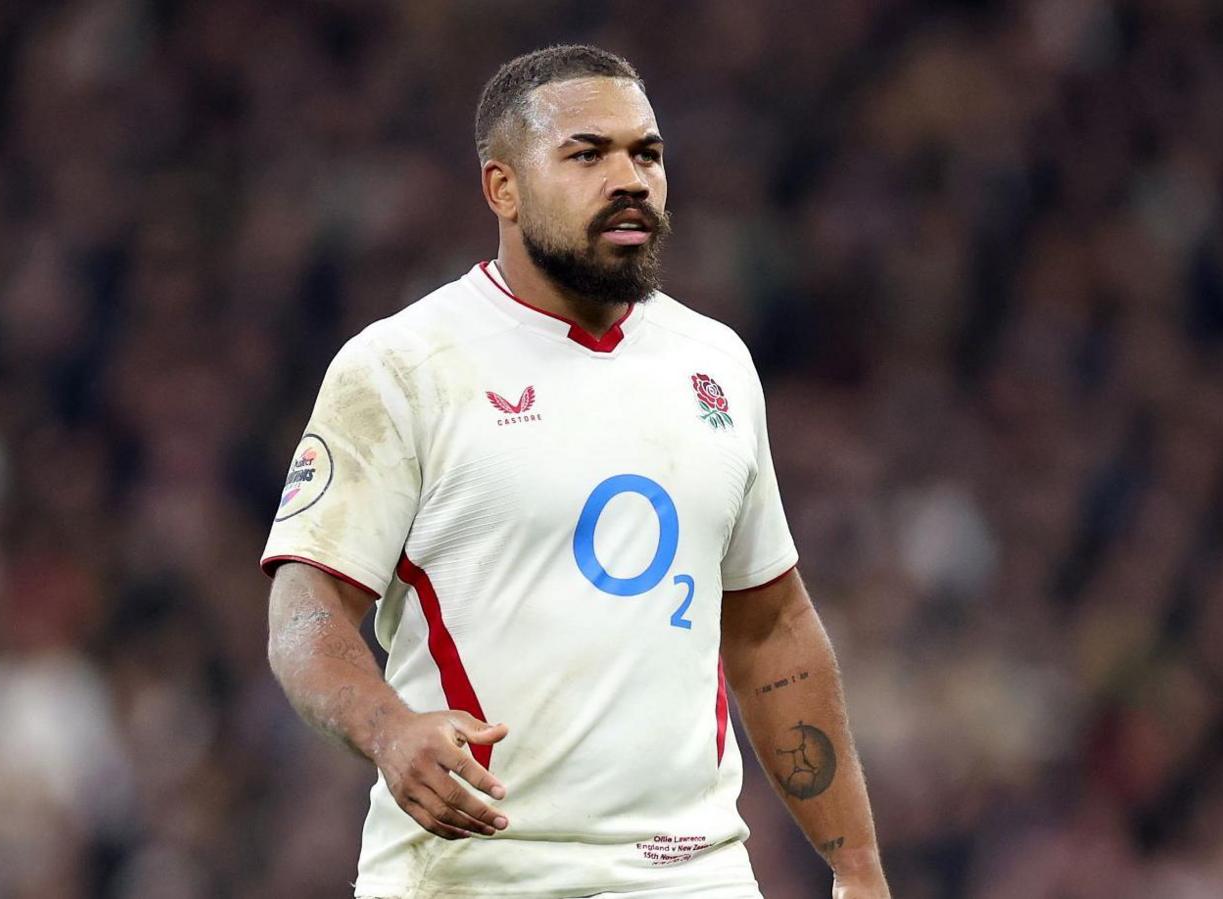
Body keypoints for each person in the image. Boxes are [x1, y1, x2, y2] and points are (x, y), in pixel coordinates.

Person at [263, 44, 889, 899]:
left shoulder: (716, 363)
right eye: (588, 154)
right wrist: (390, 730)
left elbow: (770, 626)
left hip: (692, 874)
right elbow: (306, 607)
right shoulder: (404, 366)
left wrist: (855, 866)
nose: (630, 178)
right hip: (480, 872)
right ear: (503, 189)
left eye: (648, 153)